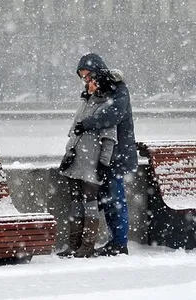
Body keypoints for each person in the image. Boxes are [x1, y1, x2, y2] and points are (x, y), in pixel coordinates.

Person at [72, 53, 138, 256]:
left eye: (87, 76)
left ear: (96, 72)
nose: (86, 81)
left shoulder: (118, 89)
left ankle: (120, 244)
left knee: (116, 200)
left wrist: (88, 124)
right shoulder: (97, 91)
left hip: (118, 155)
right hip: (103, 157)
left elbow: (113, 115)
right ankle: (114, 241)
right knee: (108, 201)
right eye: (83, 78)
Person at [56, 61, 118, 258]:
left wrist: (103, 164)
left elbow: (109, 140)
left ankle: (87, 245)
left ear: (99, 82)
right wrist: (68, 153)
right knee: (75, 199)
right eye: (84, 79)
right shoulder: (85, 101)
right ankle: (74, 243)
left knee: (89, 200)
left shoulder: (107, 106)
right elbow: (74, 131)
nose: (86, 83)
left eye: (90, 79)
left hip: (92, 161)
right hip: (76, 159)